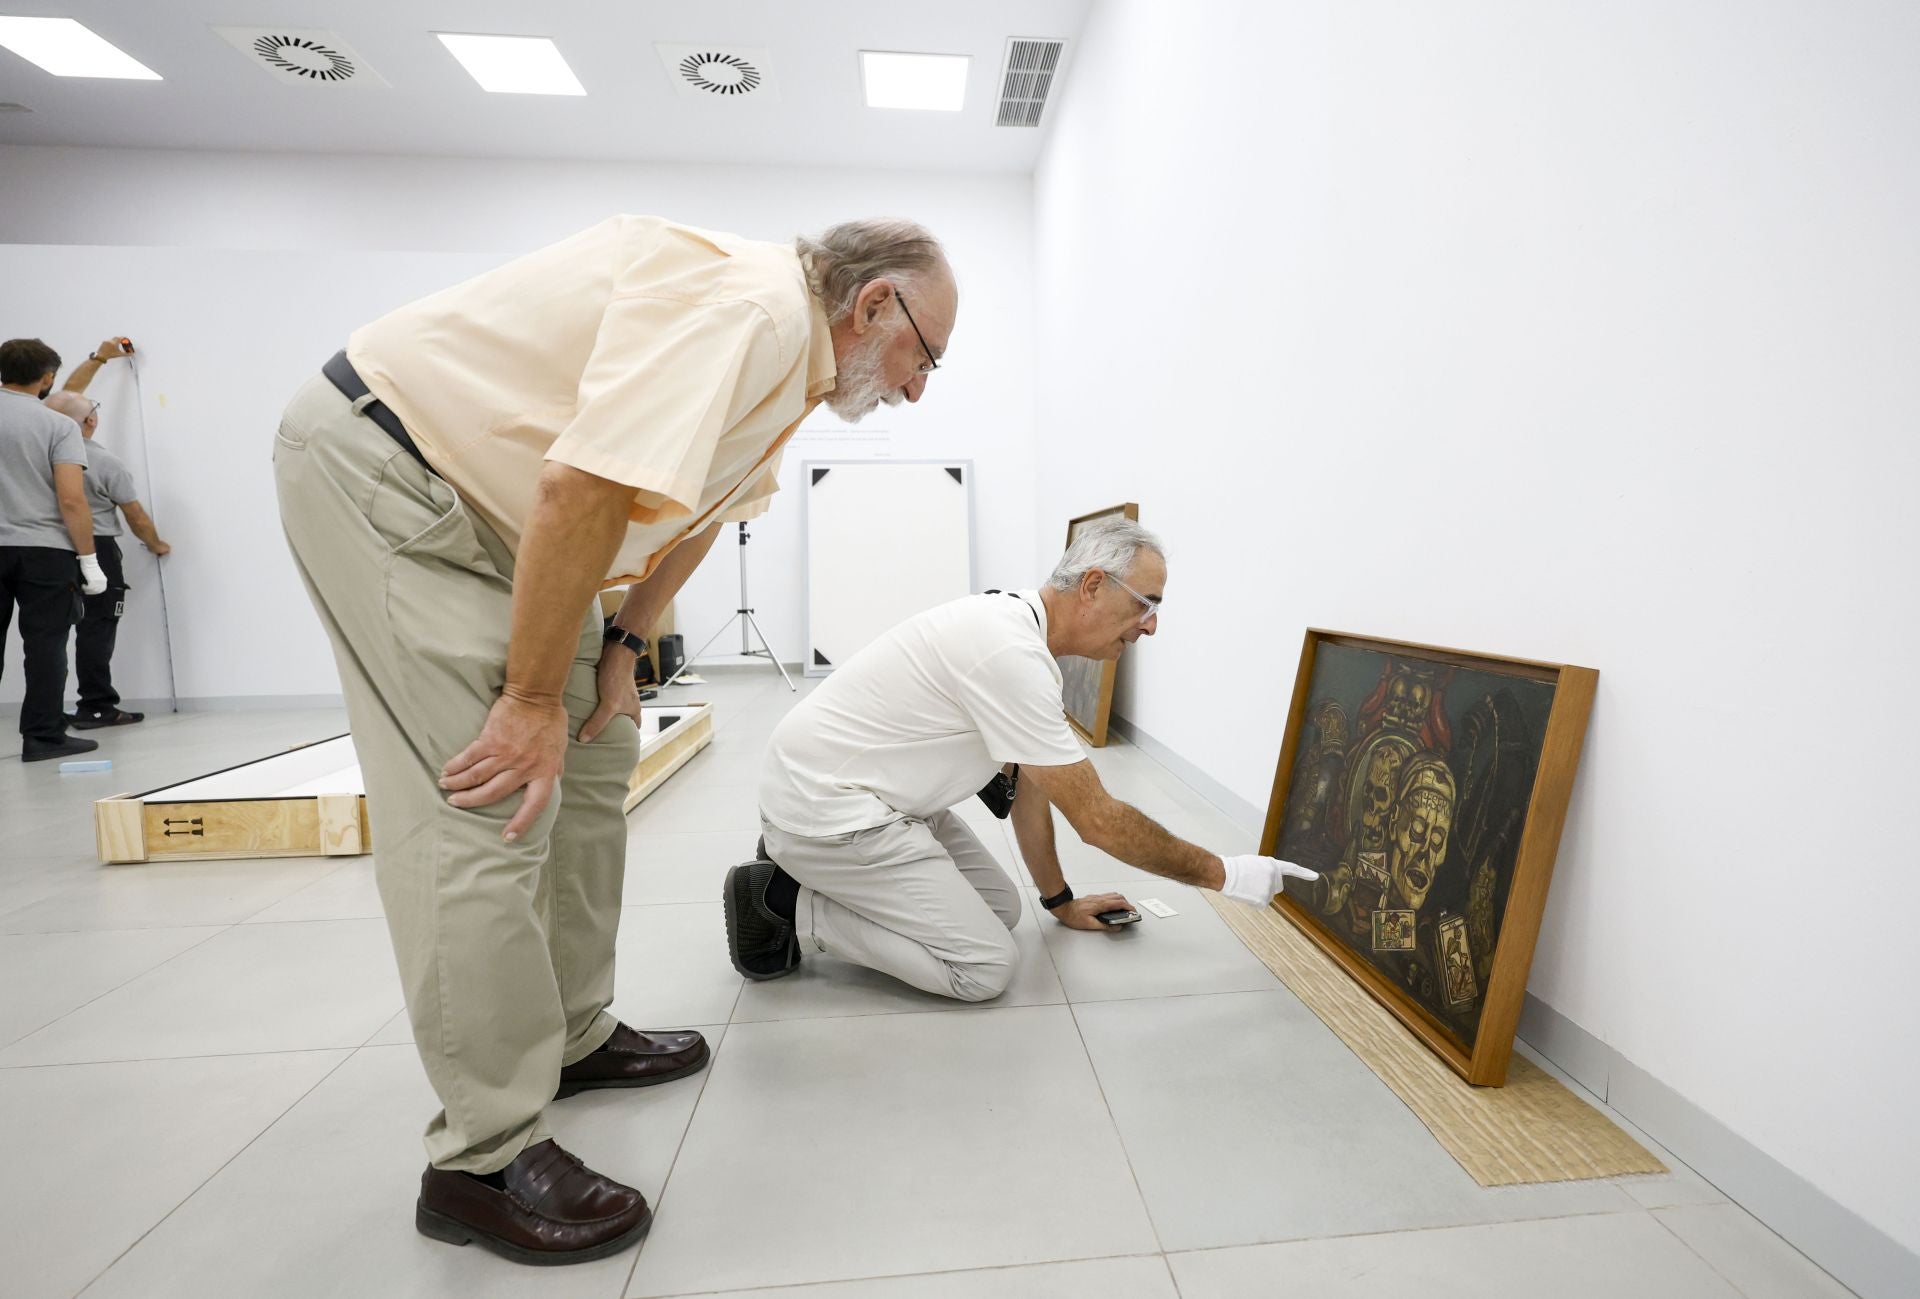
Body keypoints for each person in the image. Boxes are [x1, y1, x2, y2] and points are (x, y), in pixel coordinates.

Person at [274, 215, 957, 1266]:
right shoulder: (750, 311)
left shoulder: (794, 377)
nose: (918, 388)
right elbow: (582, 485)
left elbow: (691, 518)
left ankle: (573, 1032)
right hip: (396, 473)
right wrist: (530, 698)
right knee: (489, 800)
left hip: (516, 526)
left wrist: (622, 647)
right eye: (927, 355)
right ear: (874, 306)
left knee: (597, 756)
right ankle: (482, 1157)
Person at [732, 520, 1318, 999]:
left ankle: (812, 870)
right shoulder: (1011, 654)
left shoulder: (1019, 632)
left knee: (1003, 909)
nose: (1153, 625)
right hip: (829, 807)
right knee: (984, 969)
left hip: (879, 792)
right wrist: (1229, 874)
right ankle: (783, 898)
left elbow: (1033, 790)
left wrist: (1059, 902)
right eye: (1147, 604)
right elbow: (1099, 821)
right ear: (1092, 586)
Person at [0, 337, 108, 762]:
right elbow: (71, 500)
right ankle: (43, 736)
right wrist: (89, 559)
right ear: (47, 379)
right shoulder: (58, 426)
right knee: (45, 645)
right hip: (44, 551)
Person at [42, 389, 170, 728]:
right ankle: (96, 705)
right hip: (95, 545)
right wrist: (156, 543)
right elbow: (136, 515)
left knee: (47, 632)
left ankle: (46, 714)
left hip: (51, 548)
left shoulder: (38, 454)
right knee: (97, 627)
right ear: (91, 421)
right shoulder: (102, 462)